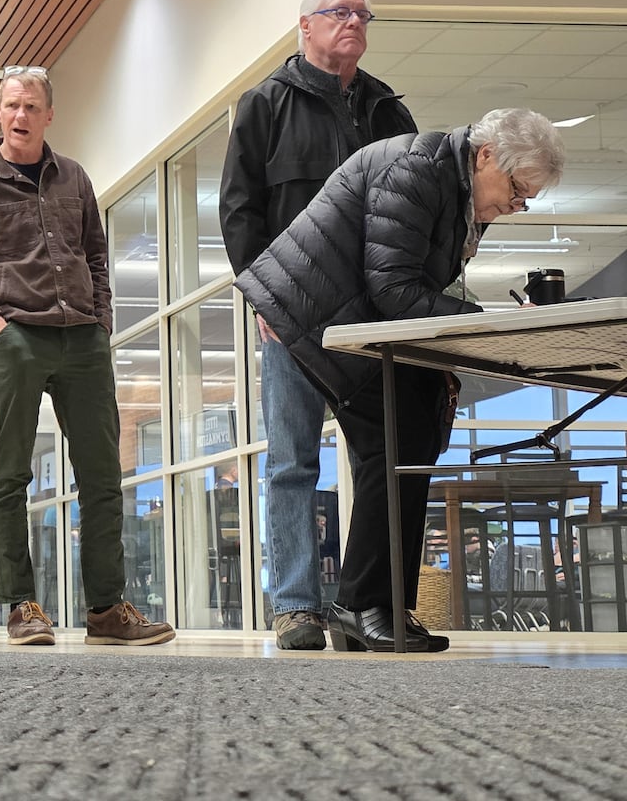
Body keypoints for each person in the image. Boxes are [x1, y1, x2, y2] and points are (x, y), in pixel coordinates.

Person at [236, 107, 564, 652]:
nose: (517, 204)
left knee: (409, 440)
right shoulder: (417, 169)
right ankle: (363, 604)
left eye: (527, 198)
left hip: (351, 313)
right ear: (485, 156)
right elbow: (391, 287)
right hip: (311, 313)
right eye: (516, 188)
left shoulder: (454, 187)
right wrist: (484, 322)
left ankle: (382, 605)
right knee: (394, 441)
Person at [219, 0, 418, 651]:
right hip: (295, 315)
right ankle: (296, 605)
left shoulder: (389, 110)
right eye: (340, 13)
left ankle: (369, 605)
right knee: (293, 462)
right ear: (305, 26)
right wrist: (262, 294)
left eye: (363, 13)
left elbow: (413, 210)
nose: (354, 22)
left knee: (380, 457)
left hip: (372, 316)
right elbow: (240, 208)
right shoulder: (265, 105)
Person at [0, 67, 176, 648]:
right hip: (16, 337)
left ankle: (106, 609)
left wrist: (102, 323)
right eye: (10, 105)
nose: (19, 115)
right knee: (8, 475)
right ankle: (21, 605)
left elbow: (95, 255)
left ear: (49, 114)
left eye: (30, 106)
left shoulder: (73, 177)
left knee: (104, 476)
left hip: (83, 338)